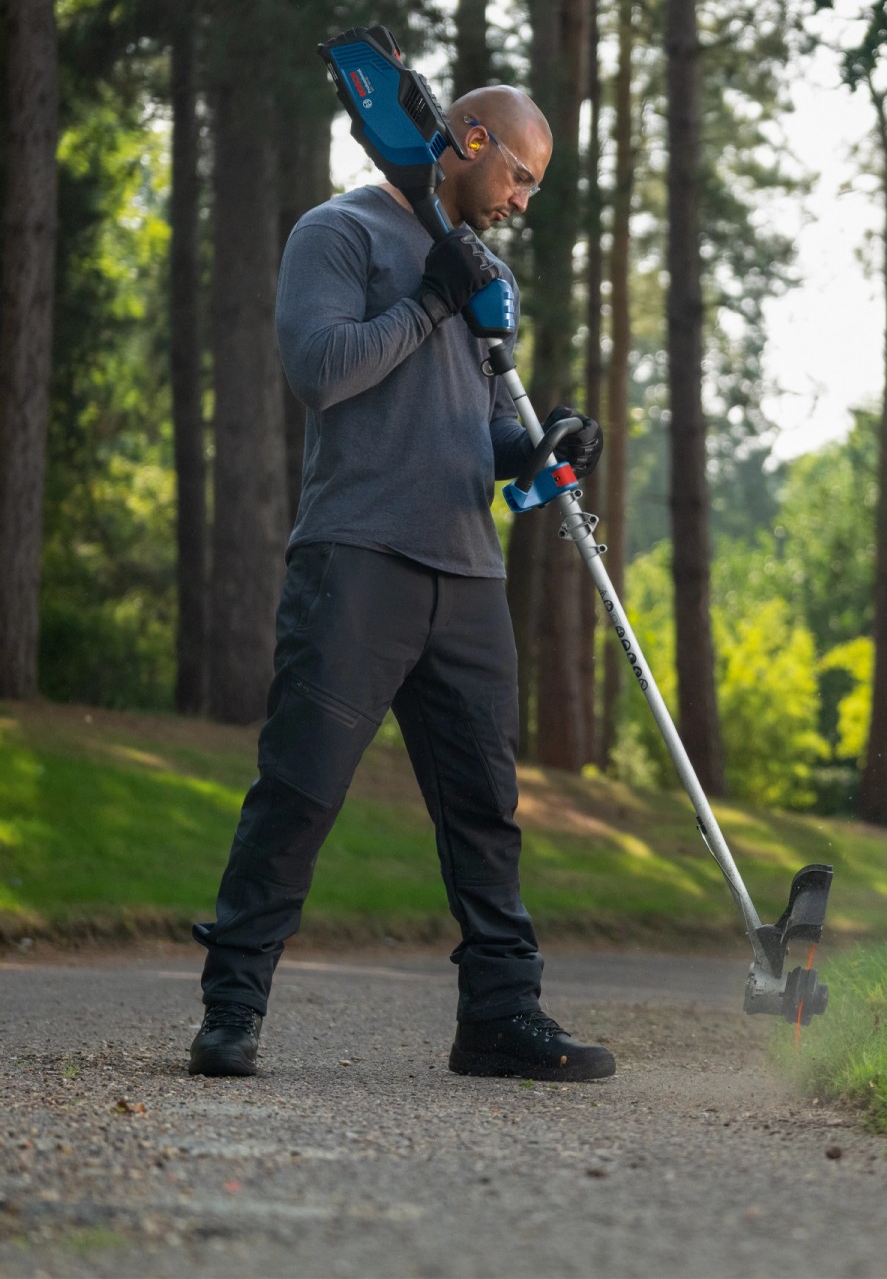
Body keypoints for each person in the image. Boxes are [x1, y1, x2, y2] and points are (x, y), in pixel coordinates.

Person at [188, 86, 614, 1083]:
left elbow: (476, 428)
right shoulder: (336, 232)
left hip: (467, 572)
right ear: (470, 139)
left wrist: (543, 441)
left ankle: (500, 1017)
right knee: (300, 790)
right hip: (358, 558)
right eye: (518, 175)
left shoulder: (485, 271)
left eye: (534, 187)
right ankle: (232, 1009)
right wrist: (429, 299)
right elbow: (321, 370)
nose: (522, 200)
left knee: (485, 810)